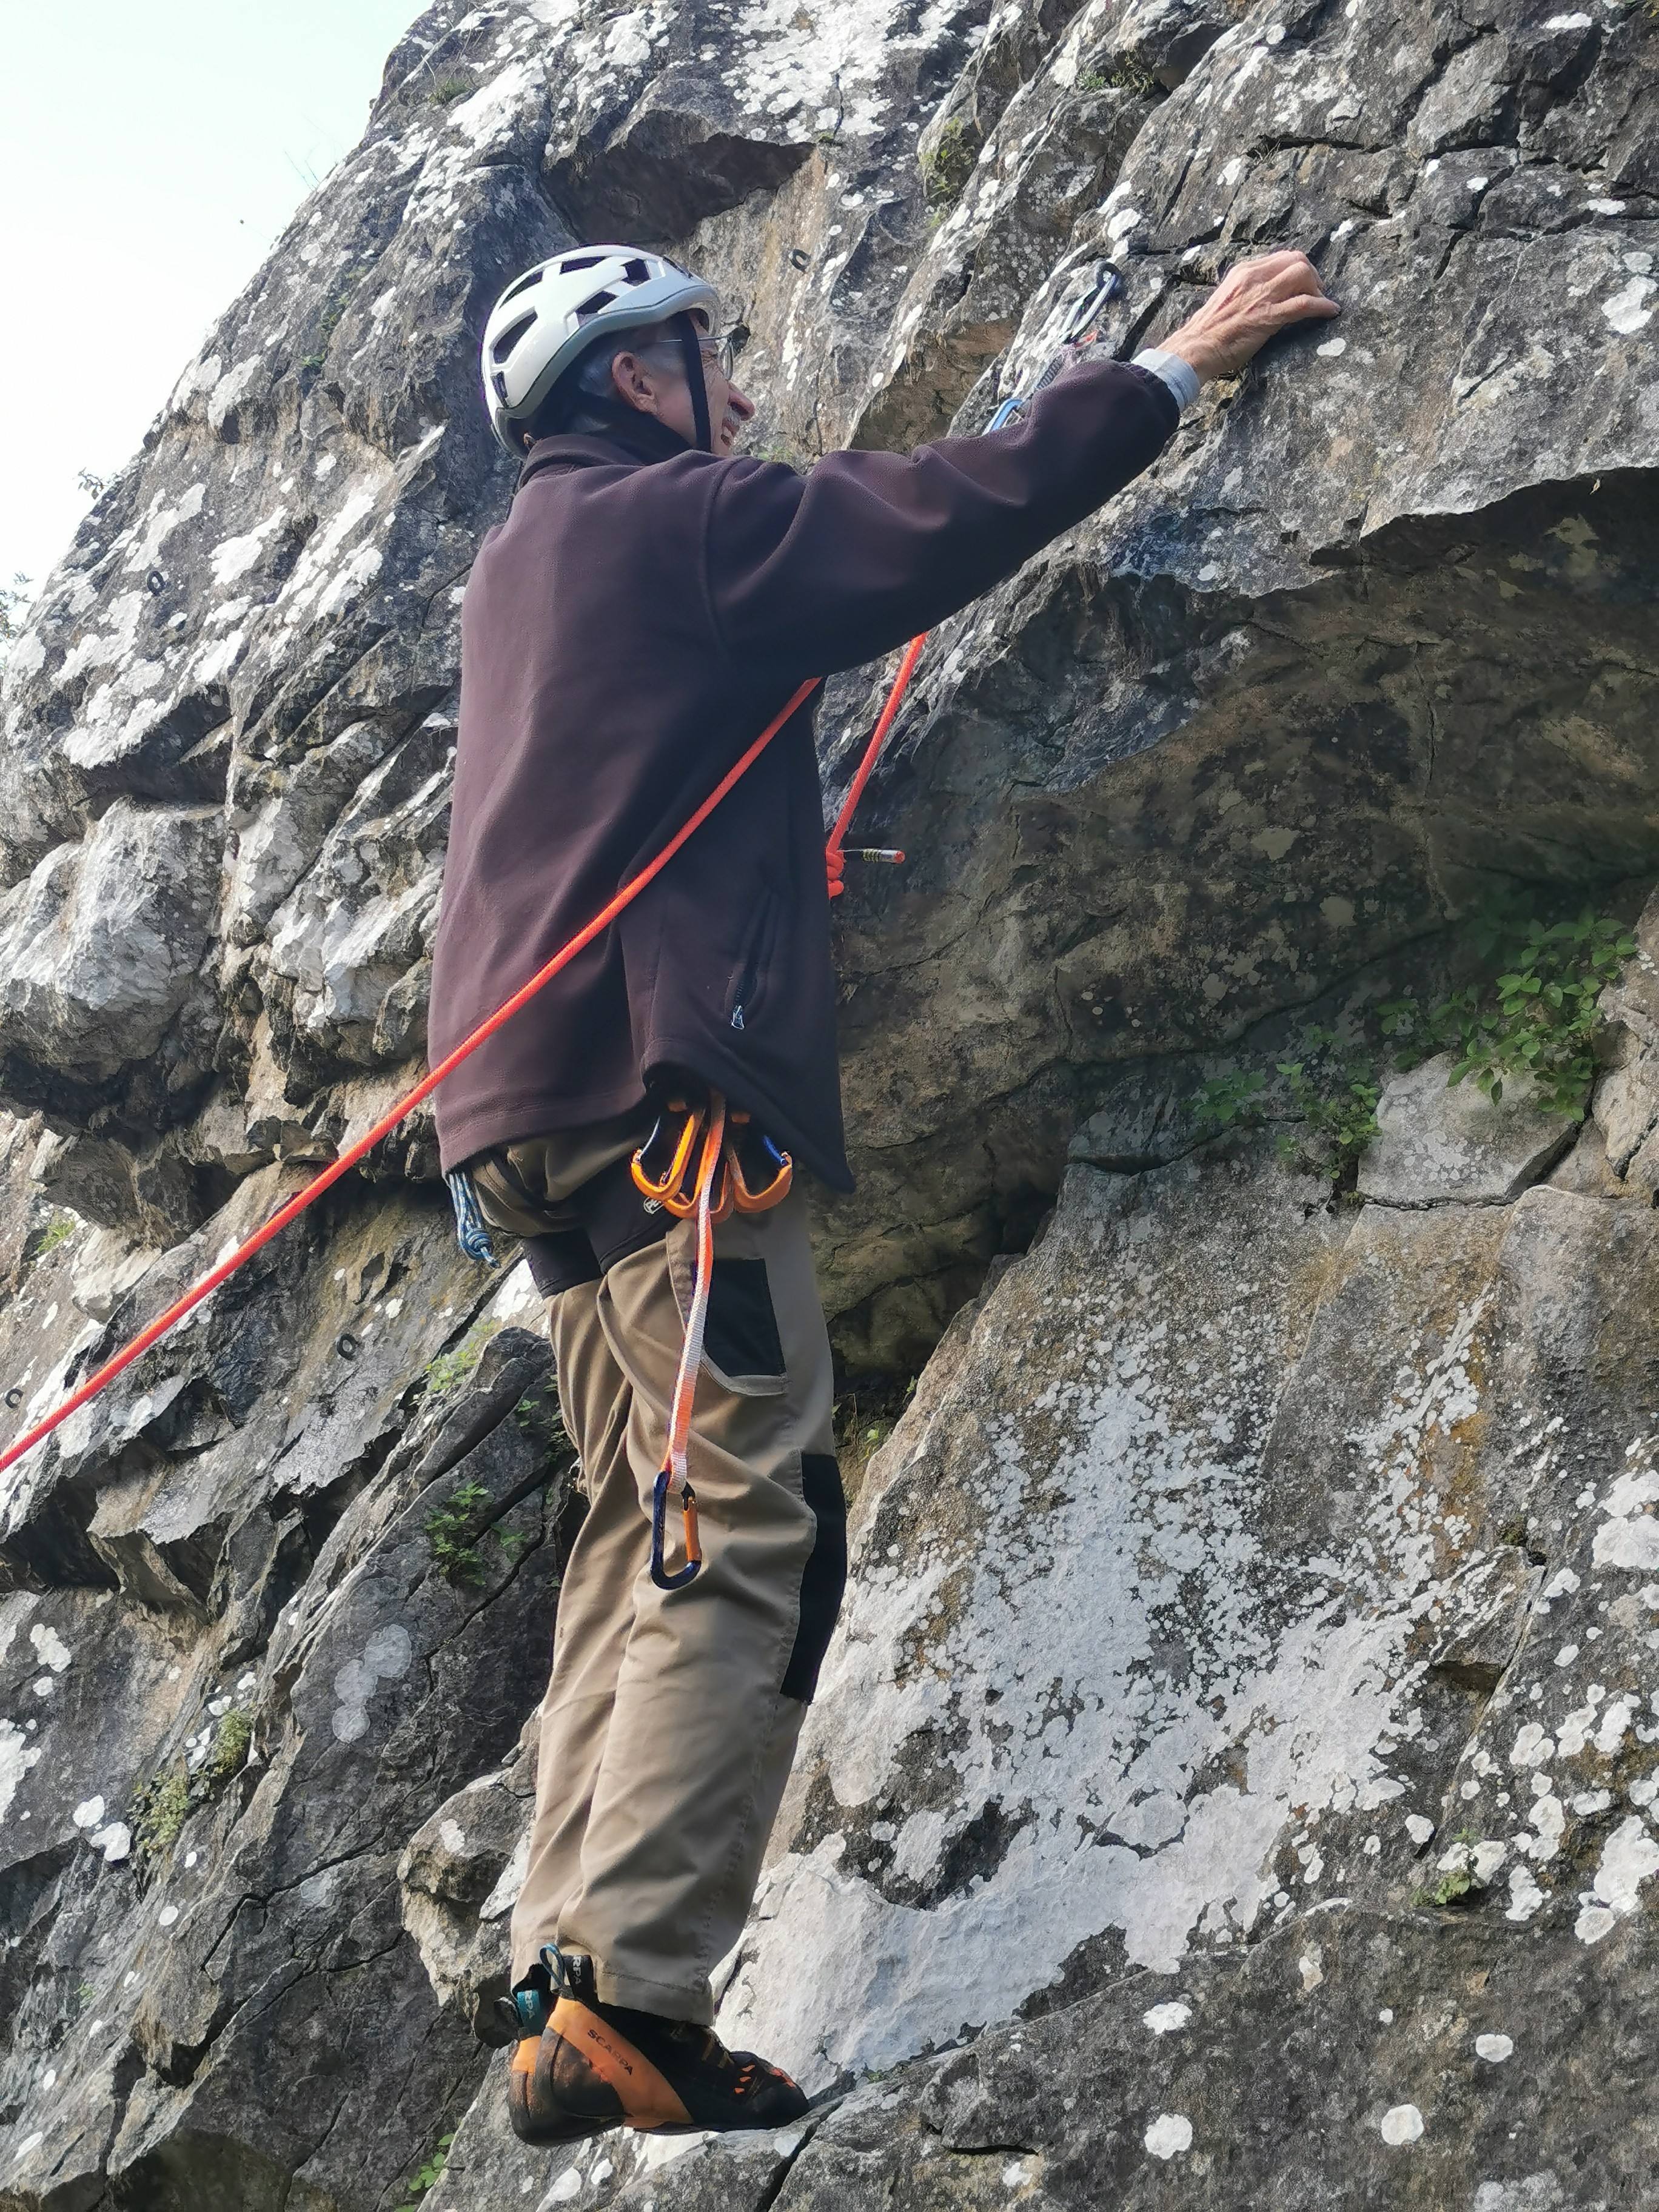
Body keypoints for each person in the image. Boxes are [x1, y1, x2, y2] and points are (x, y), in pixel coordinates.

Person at [426, 242, 1338, 2142]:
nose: (738, 397)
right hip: (656, 1108)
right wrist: (1168, 366)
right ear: (631, 384)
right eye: (708, 361)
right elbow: (933, 513)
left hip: (528, 1129)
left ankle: (554, 1997)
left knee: (630, 1531)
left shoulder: (521, 570)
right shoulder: (665, 523)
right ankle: (639, 2004)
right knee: (745, 1522)